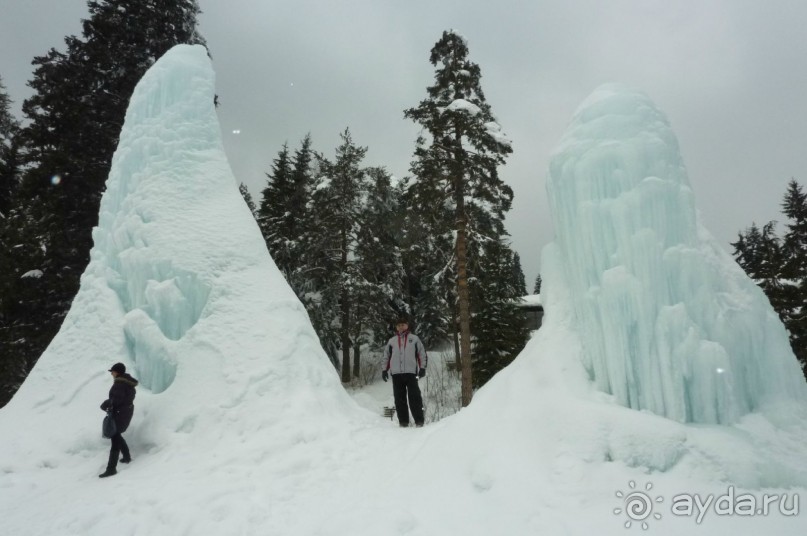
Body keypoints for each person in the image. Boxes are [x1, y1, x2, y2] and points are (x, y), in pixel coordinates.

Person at [381, 316, 427, 427]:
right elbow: (386, 356)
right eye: (399, 325)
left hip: (411, 373)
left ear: (407, 326)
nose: (401, 327)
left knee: (415, 397)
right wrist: (384, 370)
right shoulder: (391, 341)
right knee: (399, 398)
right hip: (396, 374)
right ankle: (403, 422)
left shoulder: (414, 339)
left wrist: (422, 368)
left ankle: (419, 421)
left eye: (403, 324)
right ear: (396, 327)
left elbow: (422, 354)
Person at [98, 362, 138, 478]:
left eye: (113, 372)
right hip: (125, 413)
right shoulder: (127, 383)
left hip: (119, 414)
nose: (111, 374)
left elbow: (116, 401)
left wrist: (106, 404)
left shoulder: (120, 384)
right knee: (117, 434)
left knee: (115, 438)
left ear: (118, 372)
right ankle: (126, 457)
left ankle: (111, 469)